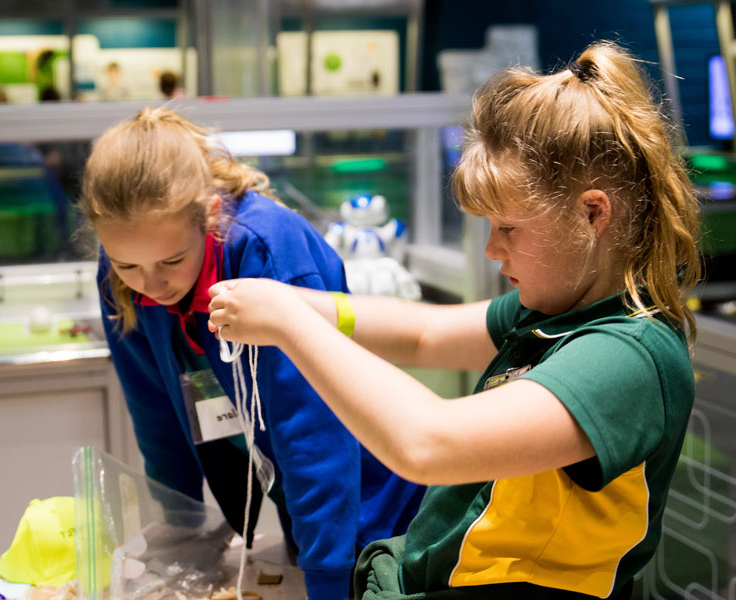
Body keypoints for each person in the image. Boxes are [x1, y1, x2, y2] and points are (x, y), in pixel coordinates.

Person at [207, 41, 701, 599]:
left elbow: (427, 444)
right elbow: (424, 334)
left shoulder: (627, 356)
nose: (493, 249)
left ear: (592, 213)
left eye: (509, 228)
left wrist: (292, 327)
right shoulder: (556, 310)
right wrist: (297, 301)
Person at [77, 106, 425, 600]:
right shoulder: (124, 266)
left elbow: (313, 436)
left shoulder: (269, 252)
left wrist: (327, 578)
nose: (150, 285)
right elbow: (155, 416)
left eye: (172, 261)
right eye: (129, 264)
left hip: (370, 493)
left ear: (211, 215)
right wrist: (181, 540)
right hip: (292, 491)